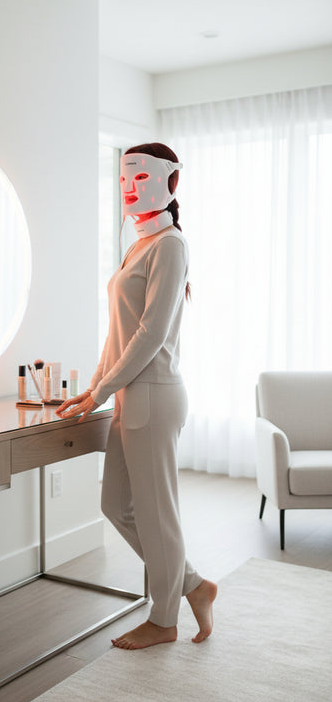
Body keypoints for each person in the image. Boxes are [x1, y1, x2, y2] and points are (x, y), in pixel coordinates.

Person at [57, 143, 217, 649]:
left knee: (156, 512)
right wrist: (94, 388)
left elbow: (150, 334)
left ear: (169, 182)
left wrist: (105, 388)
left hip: (154, 396)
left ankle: (164, 620)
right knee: (116, 506)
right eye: (124, 177)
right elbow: (118, 335)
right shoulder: (138, 246)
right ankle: (193, 584)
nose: (130, 186)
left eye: (140, 176)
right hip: (129, 395)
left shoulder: (171, 245)